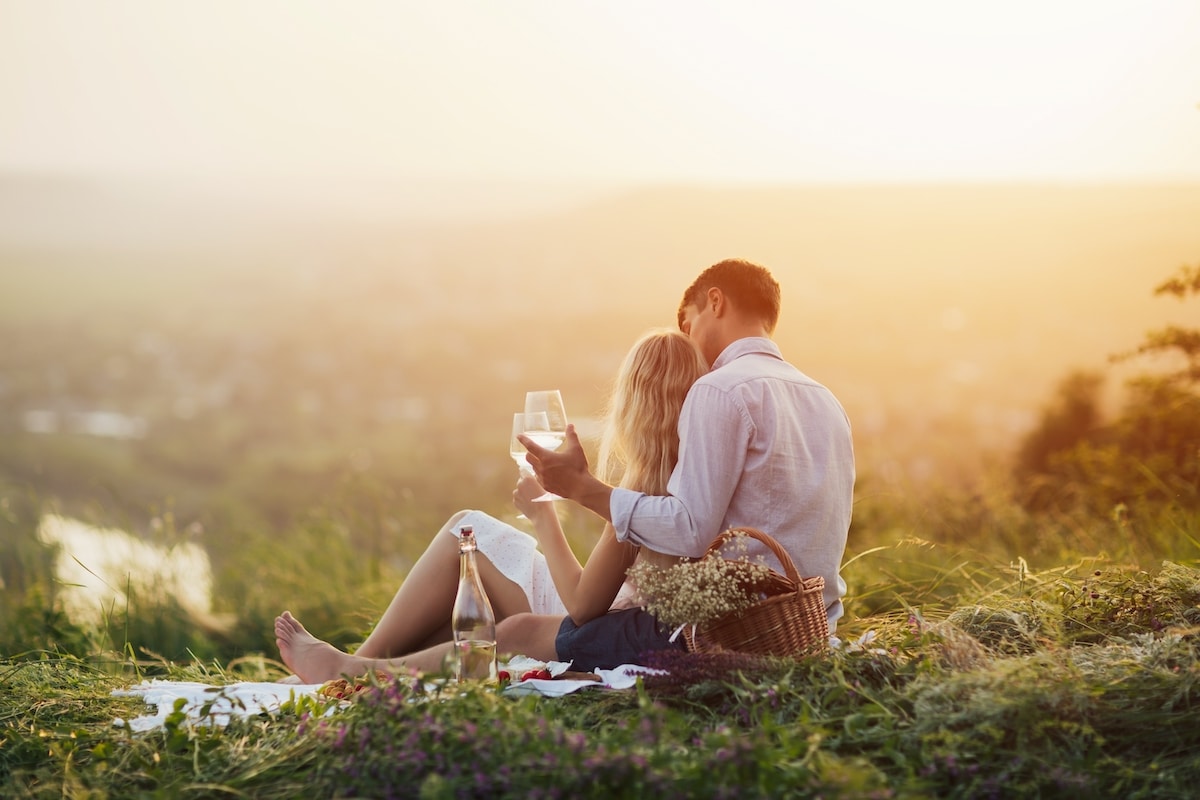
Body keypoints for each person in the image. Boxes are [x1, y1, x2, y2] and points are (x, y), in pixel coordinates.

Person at [274, 328, 708, 682]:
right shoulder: (697, 478)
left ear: (631, 404)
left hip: (592, 623)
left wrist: (544, 516)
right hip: (614, 613)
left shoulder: (644, 490)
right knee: (466, 566)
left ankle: (349, 670)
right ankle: (346, 668)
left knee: (466, 531)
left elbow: (581, 605)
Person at [520, 258, 855, 645]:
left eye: (687, 323)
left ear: (715, 302)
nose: (688, 340)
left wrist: (582, 489)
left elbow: (691, 529)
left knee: (532, 632)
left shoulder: (718, 389)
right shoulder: (826, 400)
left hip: (733, 631)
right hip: (807, 624)